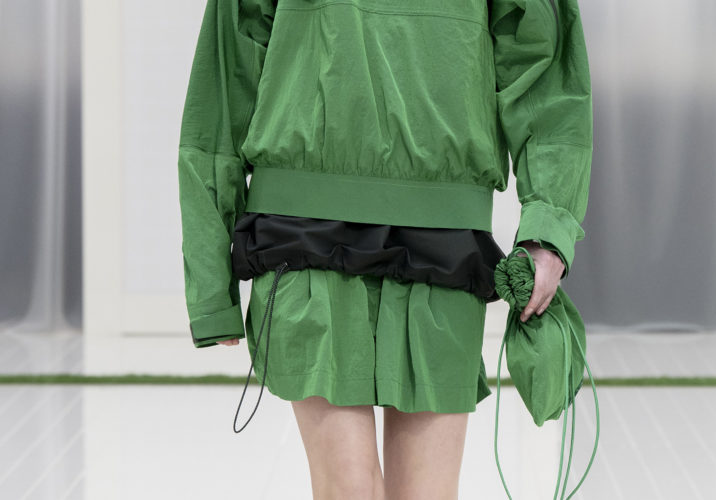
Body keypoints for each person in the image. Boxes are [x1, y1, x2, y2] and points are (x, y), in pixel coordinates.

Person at [176, 0, 592, 498]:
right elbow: (224, 79)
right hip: (302, 233)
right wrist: (210, 285)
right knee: (349, 488)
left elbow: (544, 69)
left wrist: (548, 229)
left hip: (444, 239)